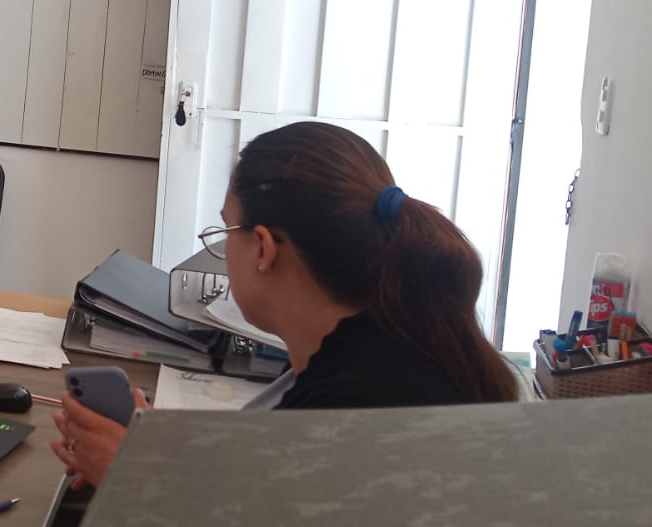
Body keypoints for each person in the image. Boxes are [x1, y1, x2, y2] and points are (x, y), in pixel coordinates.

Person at [52, 121, 517, 489]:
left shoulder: (343, 414)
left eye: (225, 232)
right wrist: (165, 455)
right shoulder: (390, 346)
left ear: (264, 248)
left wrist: (134, 478)